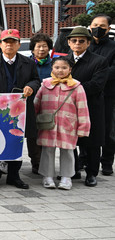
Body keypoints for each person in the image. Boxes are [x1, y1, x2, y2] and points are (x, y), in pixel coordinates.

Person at [0, 29, 40, 190]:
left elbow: (36, 80)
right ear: (0, 44)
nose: (9, 45)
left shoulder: (28, 63)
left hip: (20, 112)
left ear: (19, 44)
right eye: (6, 42)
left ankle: (14, 176)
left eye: (13, 42)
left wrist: (31, 86)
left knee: (16, 143)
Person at [35, 58, 90, 190]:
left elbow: (83, 109)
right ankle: (47, 176)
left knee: (68, 150)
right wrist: (32, 122)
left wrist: (83, 128)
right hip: (48, 124)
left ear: (70, 69)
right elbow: (36, 104)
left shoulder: (77, 86)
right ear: (52, 68)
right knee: (47, 150)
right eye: (57, 67)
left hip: (68, 125)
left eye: (64, 68)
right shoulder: (45, 85)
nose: (60, 70)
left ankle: (66, 177)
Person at [64, 26, 108, 186]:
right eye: (74, 40)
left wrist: (71, 89)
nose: (77, 43)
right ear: (69, 42)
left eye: (81, 41)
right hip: (68, 108)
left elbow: (97, 85)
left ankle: (91, 173)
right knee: (69, 141)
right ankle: (73, 170)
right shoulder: (64, 61)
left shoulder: (99, 61)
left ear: (88, 43)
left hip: (91, 106)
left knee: (92, 142)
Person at [88, 14, 115, 176]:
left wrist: (98, 76)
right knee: (86, 127)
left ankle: (106, 162)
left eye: (102, 26)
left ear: (108, 29)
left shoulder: (113, 47)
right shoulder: (86, 45)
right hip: (88, 94)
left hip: (108, 94)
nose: (98, 28)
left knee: (108, 130)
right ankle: (84, 159)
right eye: (95, 25)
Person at [27, 32, 54, 174]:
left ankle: (47, 162)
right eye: (38, 46)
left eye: (44, 46)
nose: (42, 49)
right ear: (33, 49)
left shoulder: (55, 64)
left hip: (50, 104)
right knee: (33, 133)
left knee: (47, 132)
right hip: (31, 103)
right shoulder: (26, 63)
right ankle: (36, 161)